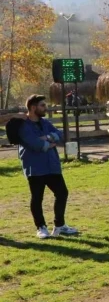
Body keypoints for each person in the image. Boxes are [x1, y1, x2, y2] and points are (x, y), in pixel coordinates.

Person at [17, 95, 78, 239]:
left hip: (52, 165)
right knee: (37, 197)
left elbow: (59, 134)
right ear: (33, 108)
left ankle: (60, 225)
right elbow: (33, 144)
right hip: (35, 167)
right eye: (43, 105)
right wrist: (47, 144)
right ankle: (41, 227)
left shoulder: (45, 123)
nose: (46, 108)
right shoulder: (23, 125)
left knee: (62, 193)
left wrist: (47, 138)